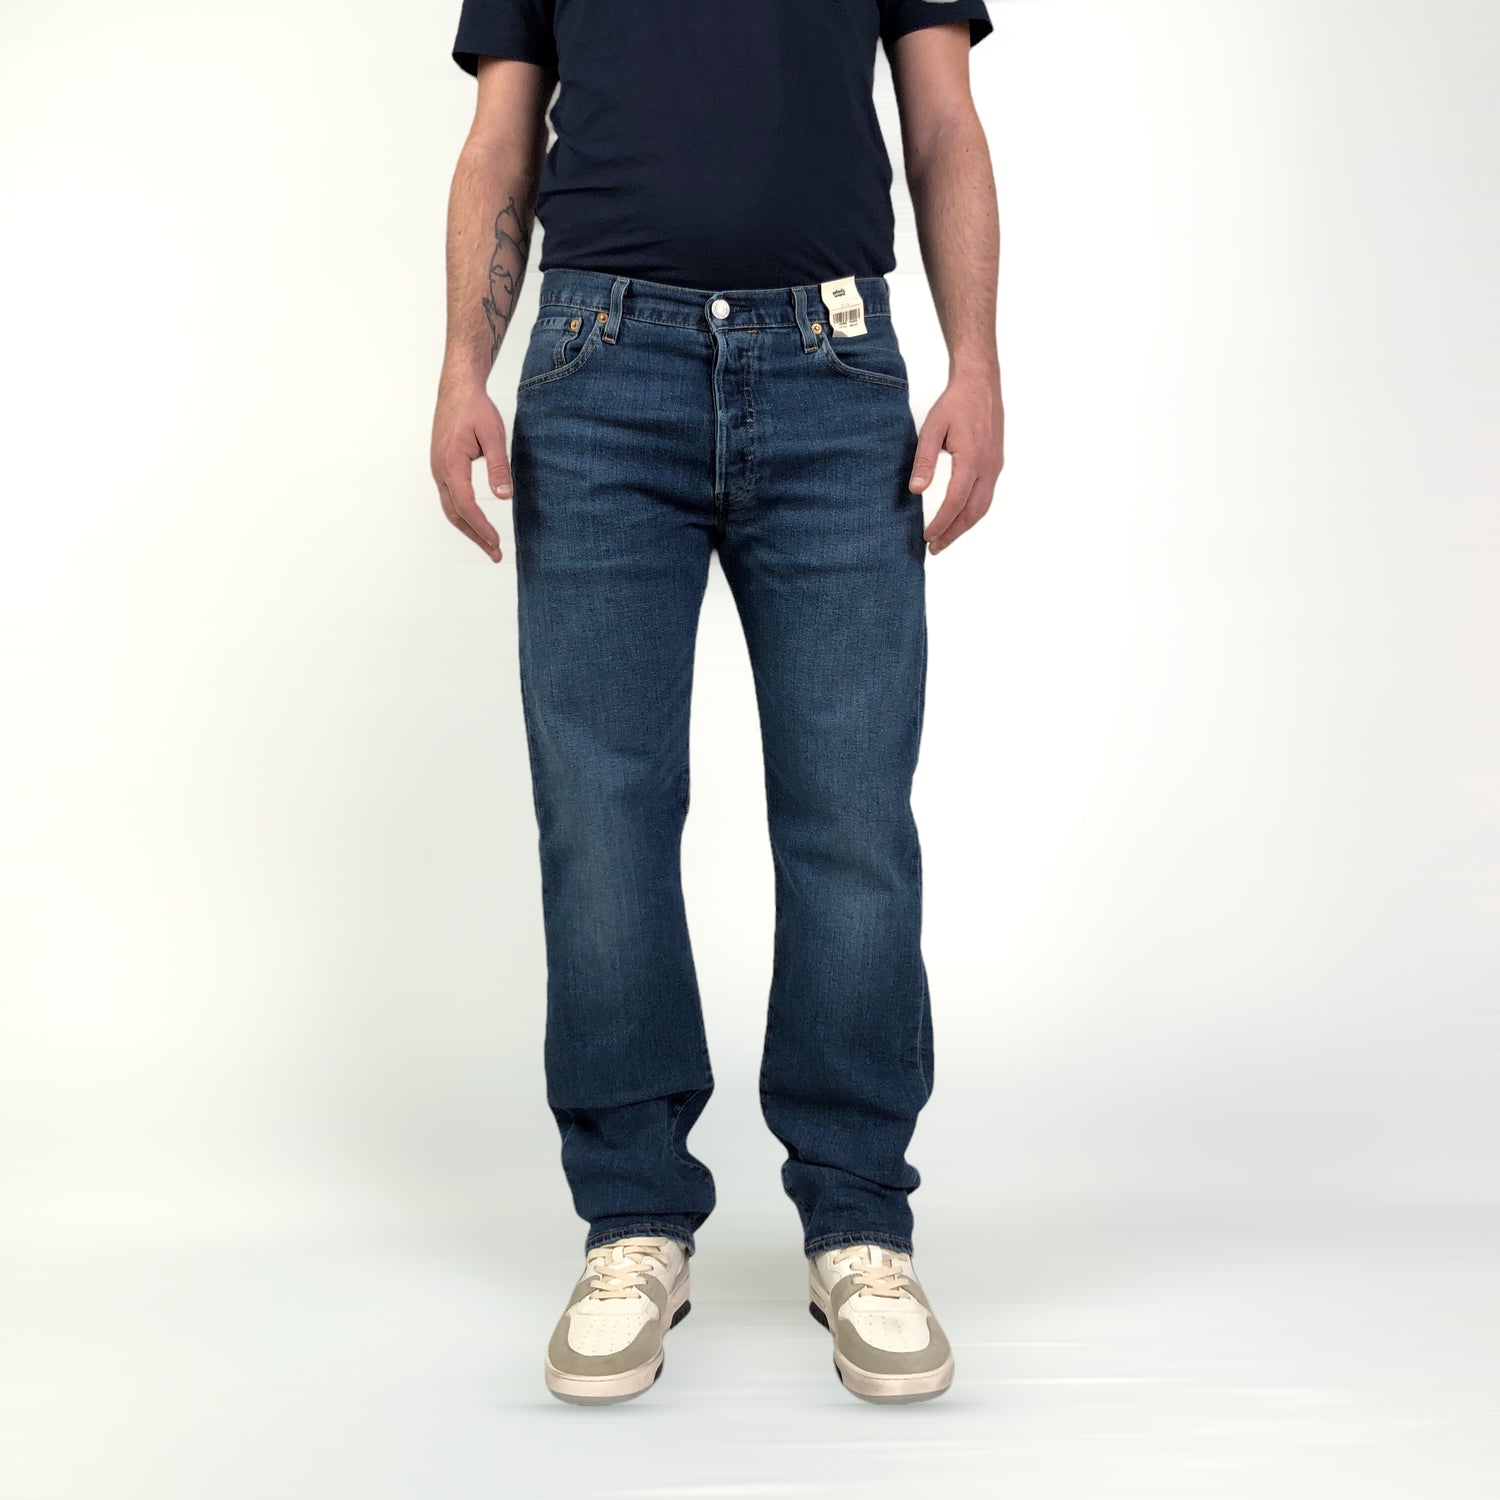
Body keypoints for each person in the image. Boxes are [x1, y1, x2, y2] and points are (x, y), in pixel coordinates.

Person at [431, 0, 1004, 1406]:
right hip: (599, 366)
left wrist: (976, 361)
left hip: (834, 367)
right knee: (603, 818)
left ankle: (860, 1223)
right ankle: (632, 1220)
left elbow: (941, 119)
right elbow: (501, 135)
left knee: (851, 817)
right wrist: (460, 366)